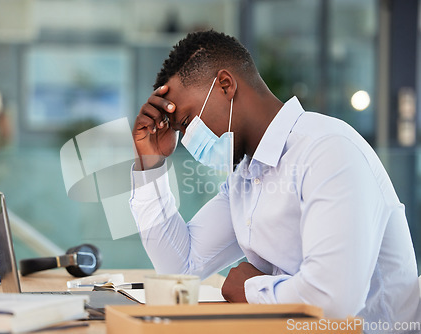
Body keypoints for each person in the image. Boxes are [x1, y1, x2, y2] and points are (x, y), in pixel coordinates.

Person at [130, 30, 420, 332]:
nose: (189, 140)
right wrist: (150, 164)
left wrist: (251, 290)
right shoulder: (245, 176)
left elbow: (332, 303)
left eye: (187, 122)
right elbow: (180, 267)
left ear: (225, 85)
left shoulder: (327, 150)